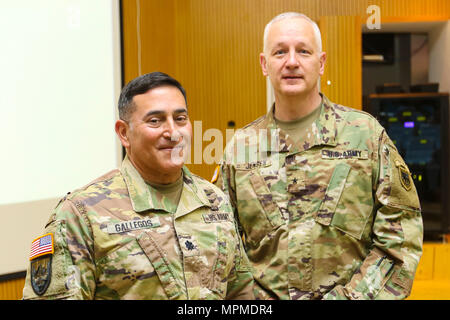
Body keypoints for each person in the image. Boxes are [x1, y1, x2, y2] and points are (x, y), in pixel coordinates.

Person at [214, 12, 423, 300]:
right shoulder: (240, 149)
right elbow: (223, 245)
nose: (291, 62)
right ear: (264, 64)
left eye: (303, 51)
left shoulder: (366, 136)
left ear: (321, 62)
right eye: (279, 52)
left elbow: (400, 237)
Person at [22, 72, 255, 300]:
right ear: (124, 133)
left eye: (180, 119)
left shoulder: (214, 201)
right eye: (155, 121)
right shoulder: (81, 215)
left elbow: (241, 293)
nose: (173, 132)